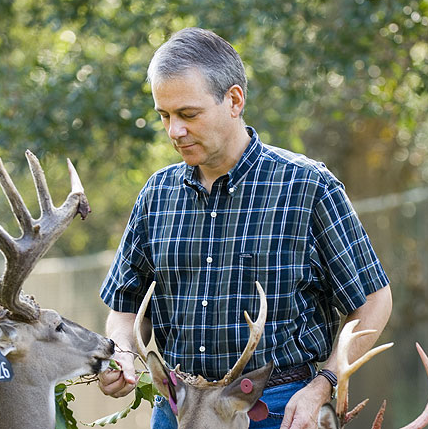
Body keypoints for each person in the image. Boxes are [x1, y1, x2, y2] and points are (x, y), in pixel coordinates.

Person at [98, 27, 392, 429]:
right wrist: (123, 351)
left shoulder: (306, 187)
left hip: (278, 411)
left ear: (234, 100)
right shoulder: (156, 194)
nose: (174, 131)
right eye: (164, 116)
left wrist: (323, 384)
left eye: (188, 114)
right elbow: (124, 307)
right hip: (178, 410)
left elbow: (374, 300)